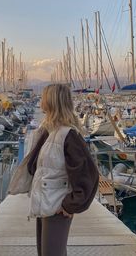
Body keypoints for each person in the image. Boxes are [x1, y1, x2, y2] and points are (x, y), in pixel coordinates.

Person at [26, 84, 99, 256]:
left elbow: (89, 174)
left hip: (58, 206)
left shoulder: (69, 135)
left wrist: (71, 204)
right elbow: (34, 165)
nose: (41, 100)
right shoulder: (50, 131)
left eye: (44, 96)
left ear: (52, 101)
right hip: (45, 202)